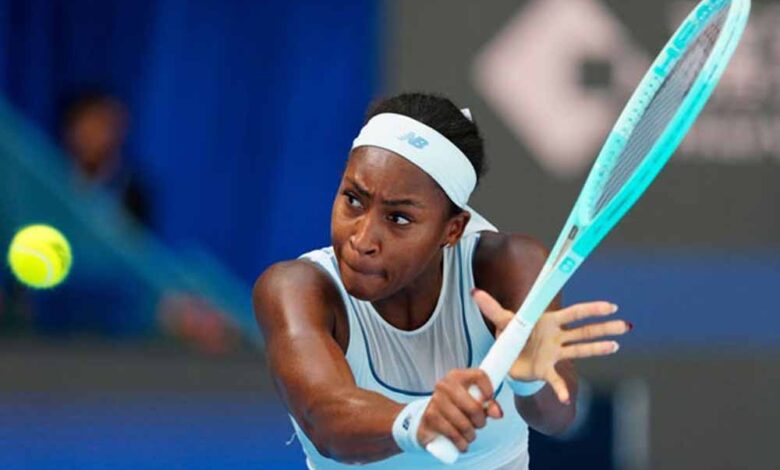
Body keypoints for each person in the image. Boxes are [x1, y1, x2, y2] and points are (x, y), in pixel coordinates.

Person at [253, 93, 631, 469]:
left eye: (399, 218)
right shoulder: (294, 288)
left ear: (453, 229)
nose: (362, 240)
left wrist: (531, 380)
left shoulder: (510, 266)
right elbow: (324, 418)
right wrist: (419, 420)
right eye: (353, 200)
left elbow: (558, 418)